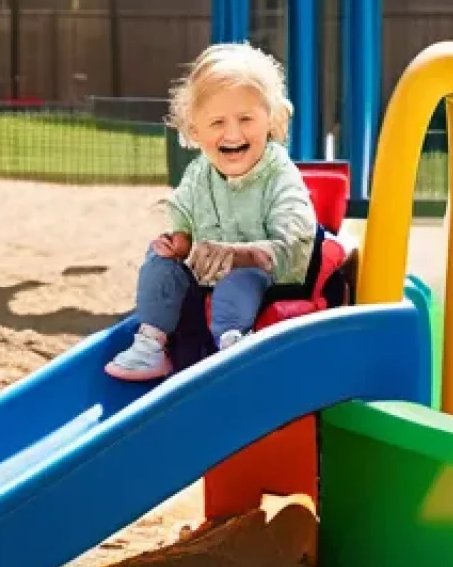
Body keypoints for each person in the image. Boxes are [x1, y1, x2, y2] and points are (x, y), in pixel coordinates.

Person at [105, 43, 318, 381]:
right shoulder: (199, 173)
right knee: (157, 263)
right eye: (217, 122)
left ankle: (232, 345)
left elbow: (296, 247)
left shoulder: (280, 176)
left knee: (236, 283)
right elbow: (183, 215)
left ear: (271, 120)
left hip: (261, 278)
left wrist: (240, 255)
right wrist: (179, 241)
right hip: (201, 275)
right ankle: (151, 343)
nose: (232, 133)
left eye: (246, 119)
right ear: (195, 130)